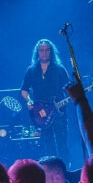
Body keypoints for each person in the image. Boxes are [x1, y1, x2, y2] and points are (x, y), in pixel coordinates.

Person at [20, 38, 73, 167]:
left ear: (51, 52)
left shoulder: (60, 69)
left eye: (47, 50)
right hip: (40, 113)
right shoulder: (31, 70)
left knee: (62, 141)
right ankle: (51, 170)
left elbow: (69, 89)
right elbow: (24, 90)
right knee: (47, 142)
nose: (44, 53)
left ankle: (66, 169)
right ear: (37, 52)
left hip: (59, 111)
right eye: (42, 50)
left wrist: (72, 94)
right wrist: (30, 102)